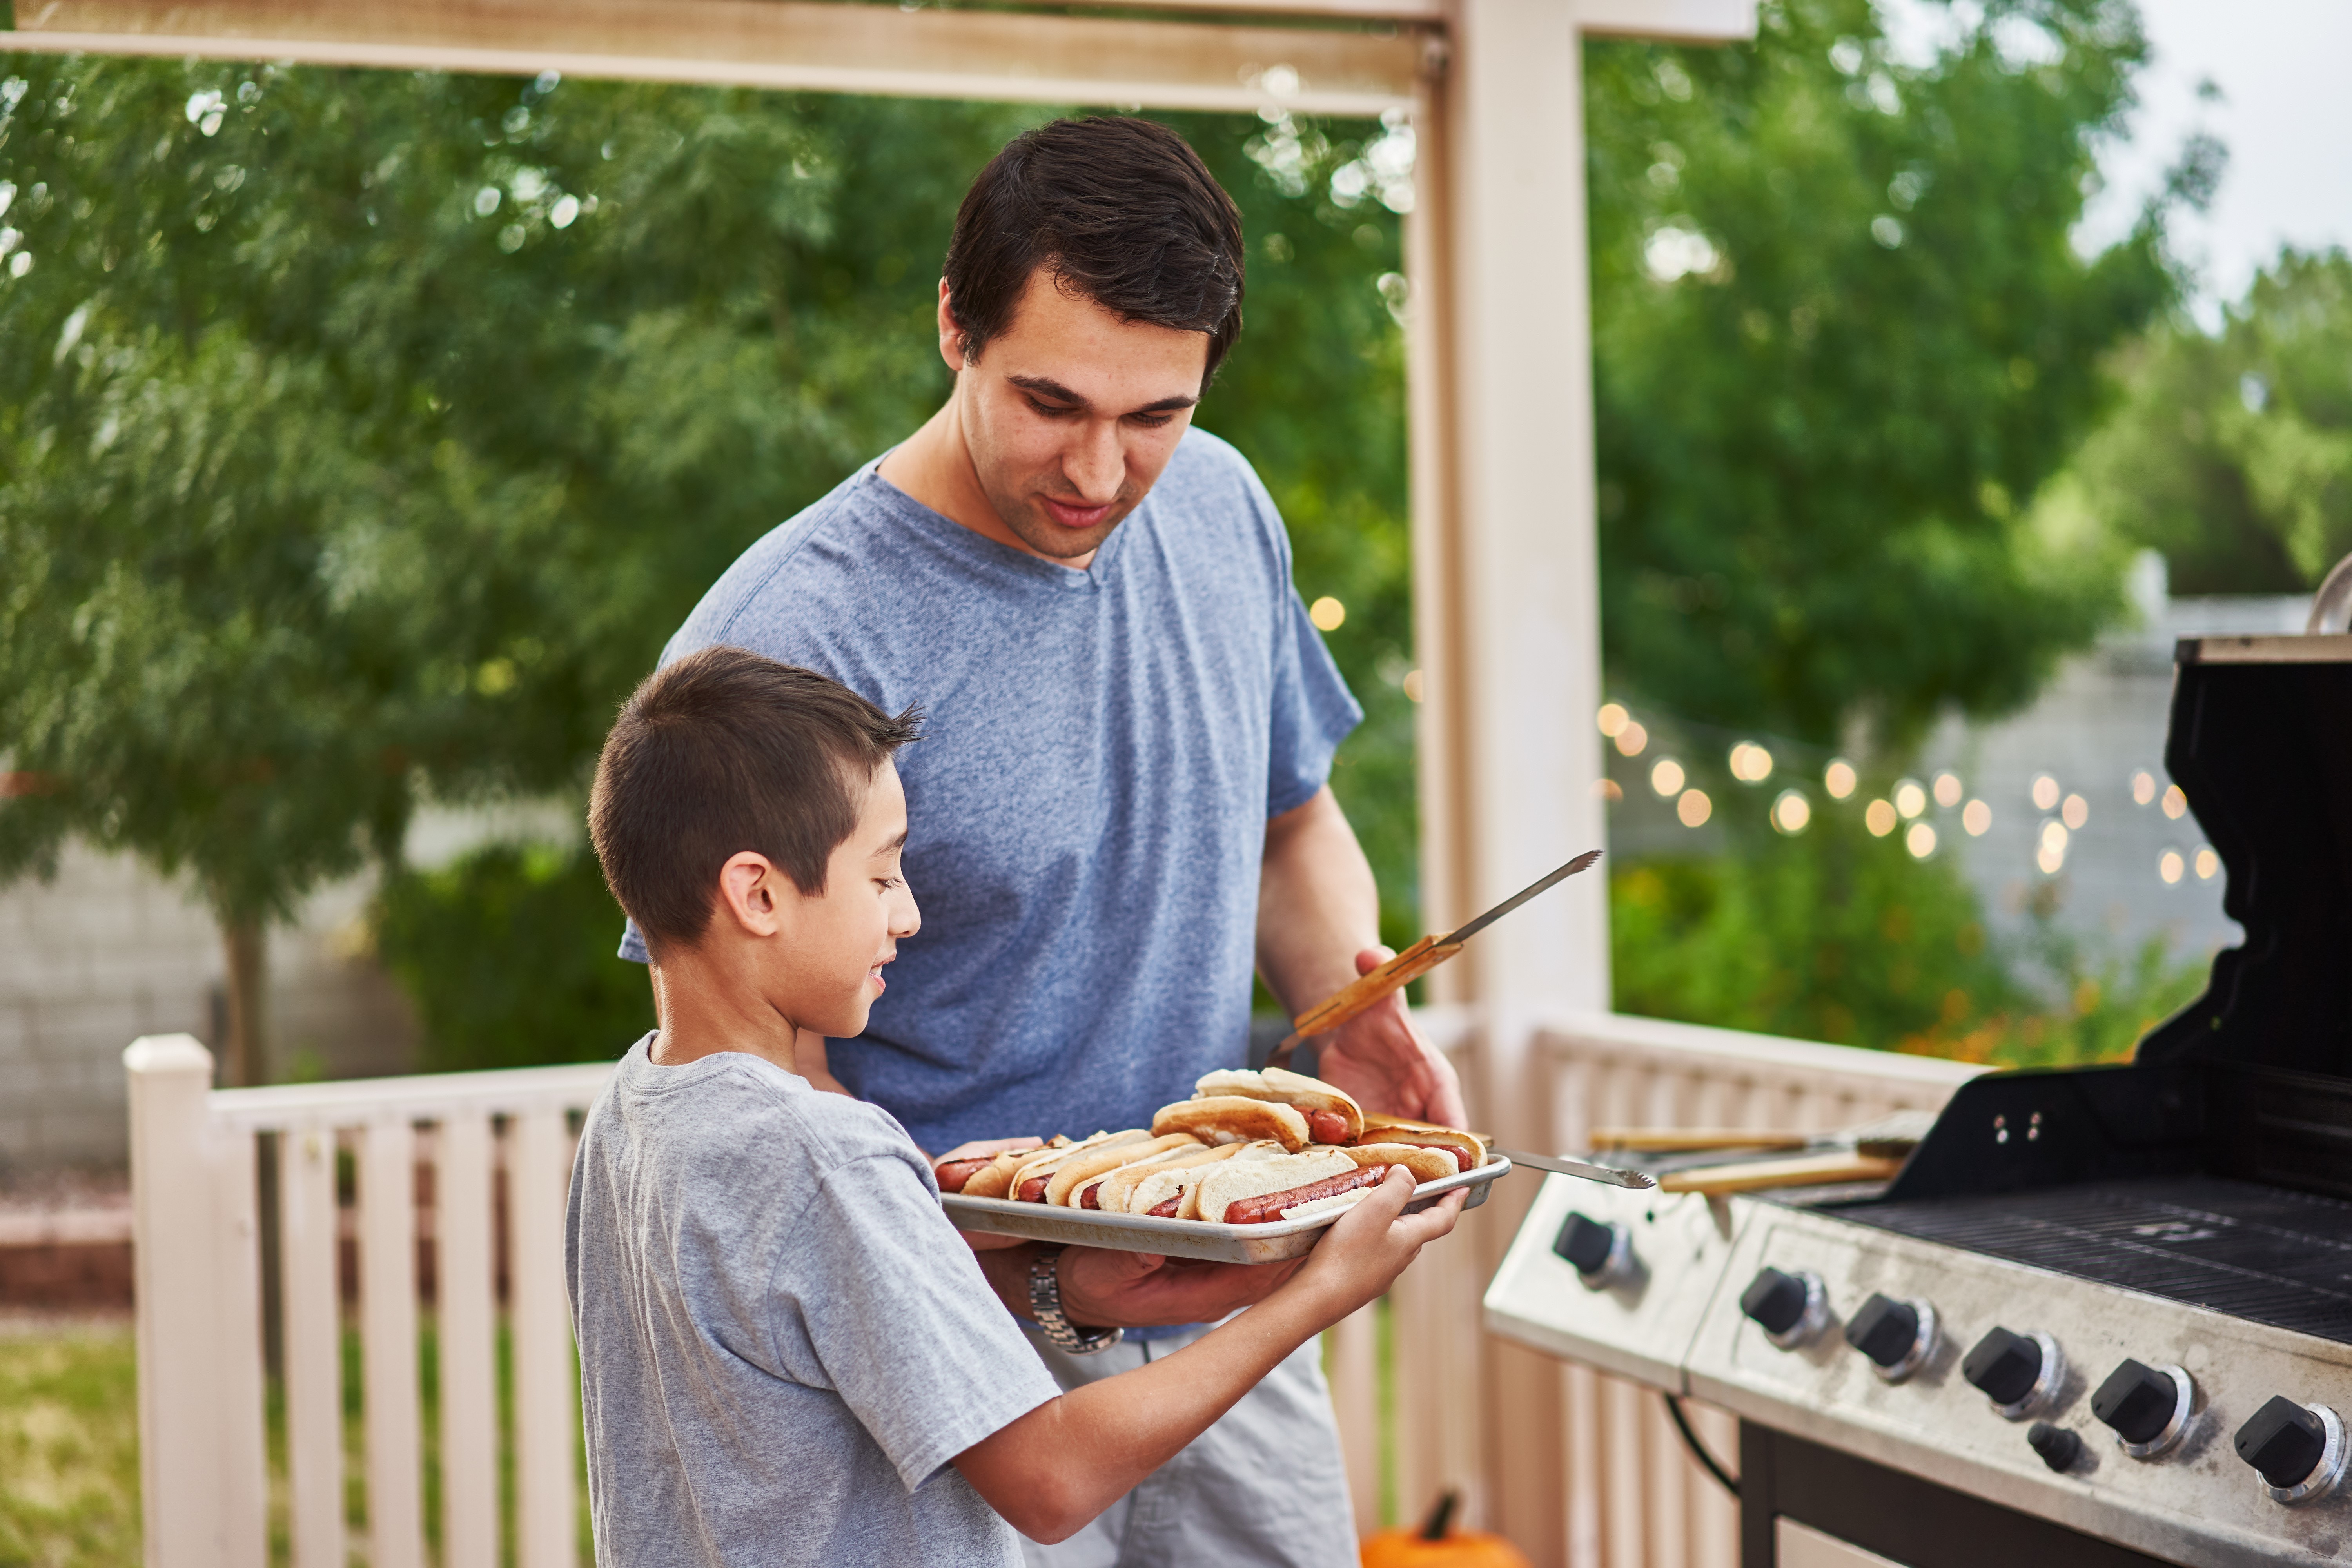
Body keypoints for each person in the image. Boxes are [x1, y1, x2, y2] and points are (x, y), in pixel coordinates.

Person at [620, 114, 1465, 1565]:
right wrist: (1043, 1274)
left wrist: (1350, 1002)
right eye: (1052, 403)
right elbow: (737, 1040)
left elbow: (1292, 822)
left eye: (1157, 415)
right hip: (963, 1339)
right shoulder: (795, 630)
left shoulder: (1222, 509)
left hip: (1224, 1281)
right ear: (954, 324)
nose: (1102, 470)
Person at [569, 646, 1464, 1568]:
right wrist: (1317, 1294)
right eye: (882, 877)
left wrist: (1028, 1271)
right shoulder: (828, 1155)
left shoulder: (630, 1120)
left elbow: (802, 1341)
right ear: (758, 893)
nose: (908, 914)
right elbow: (1050, 1477)